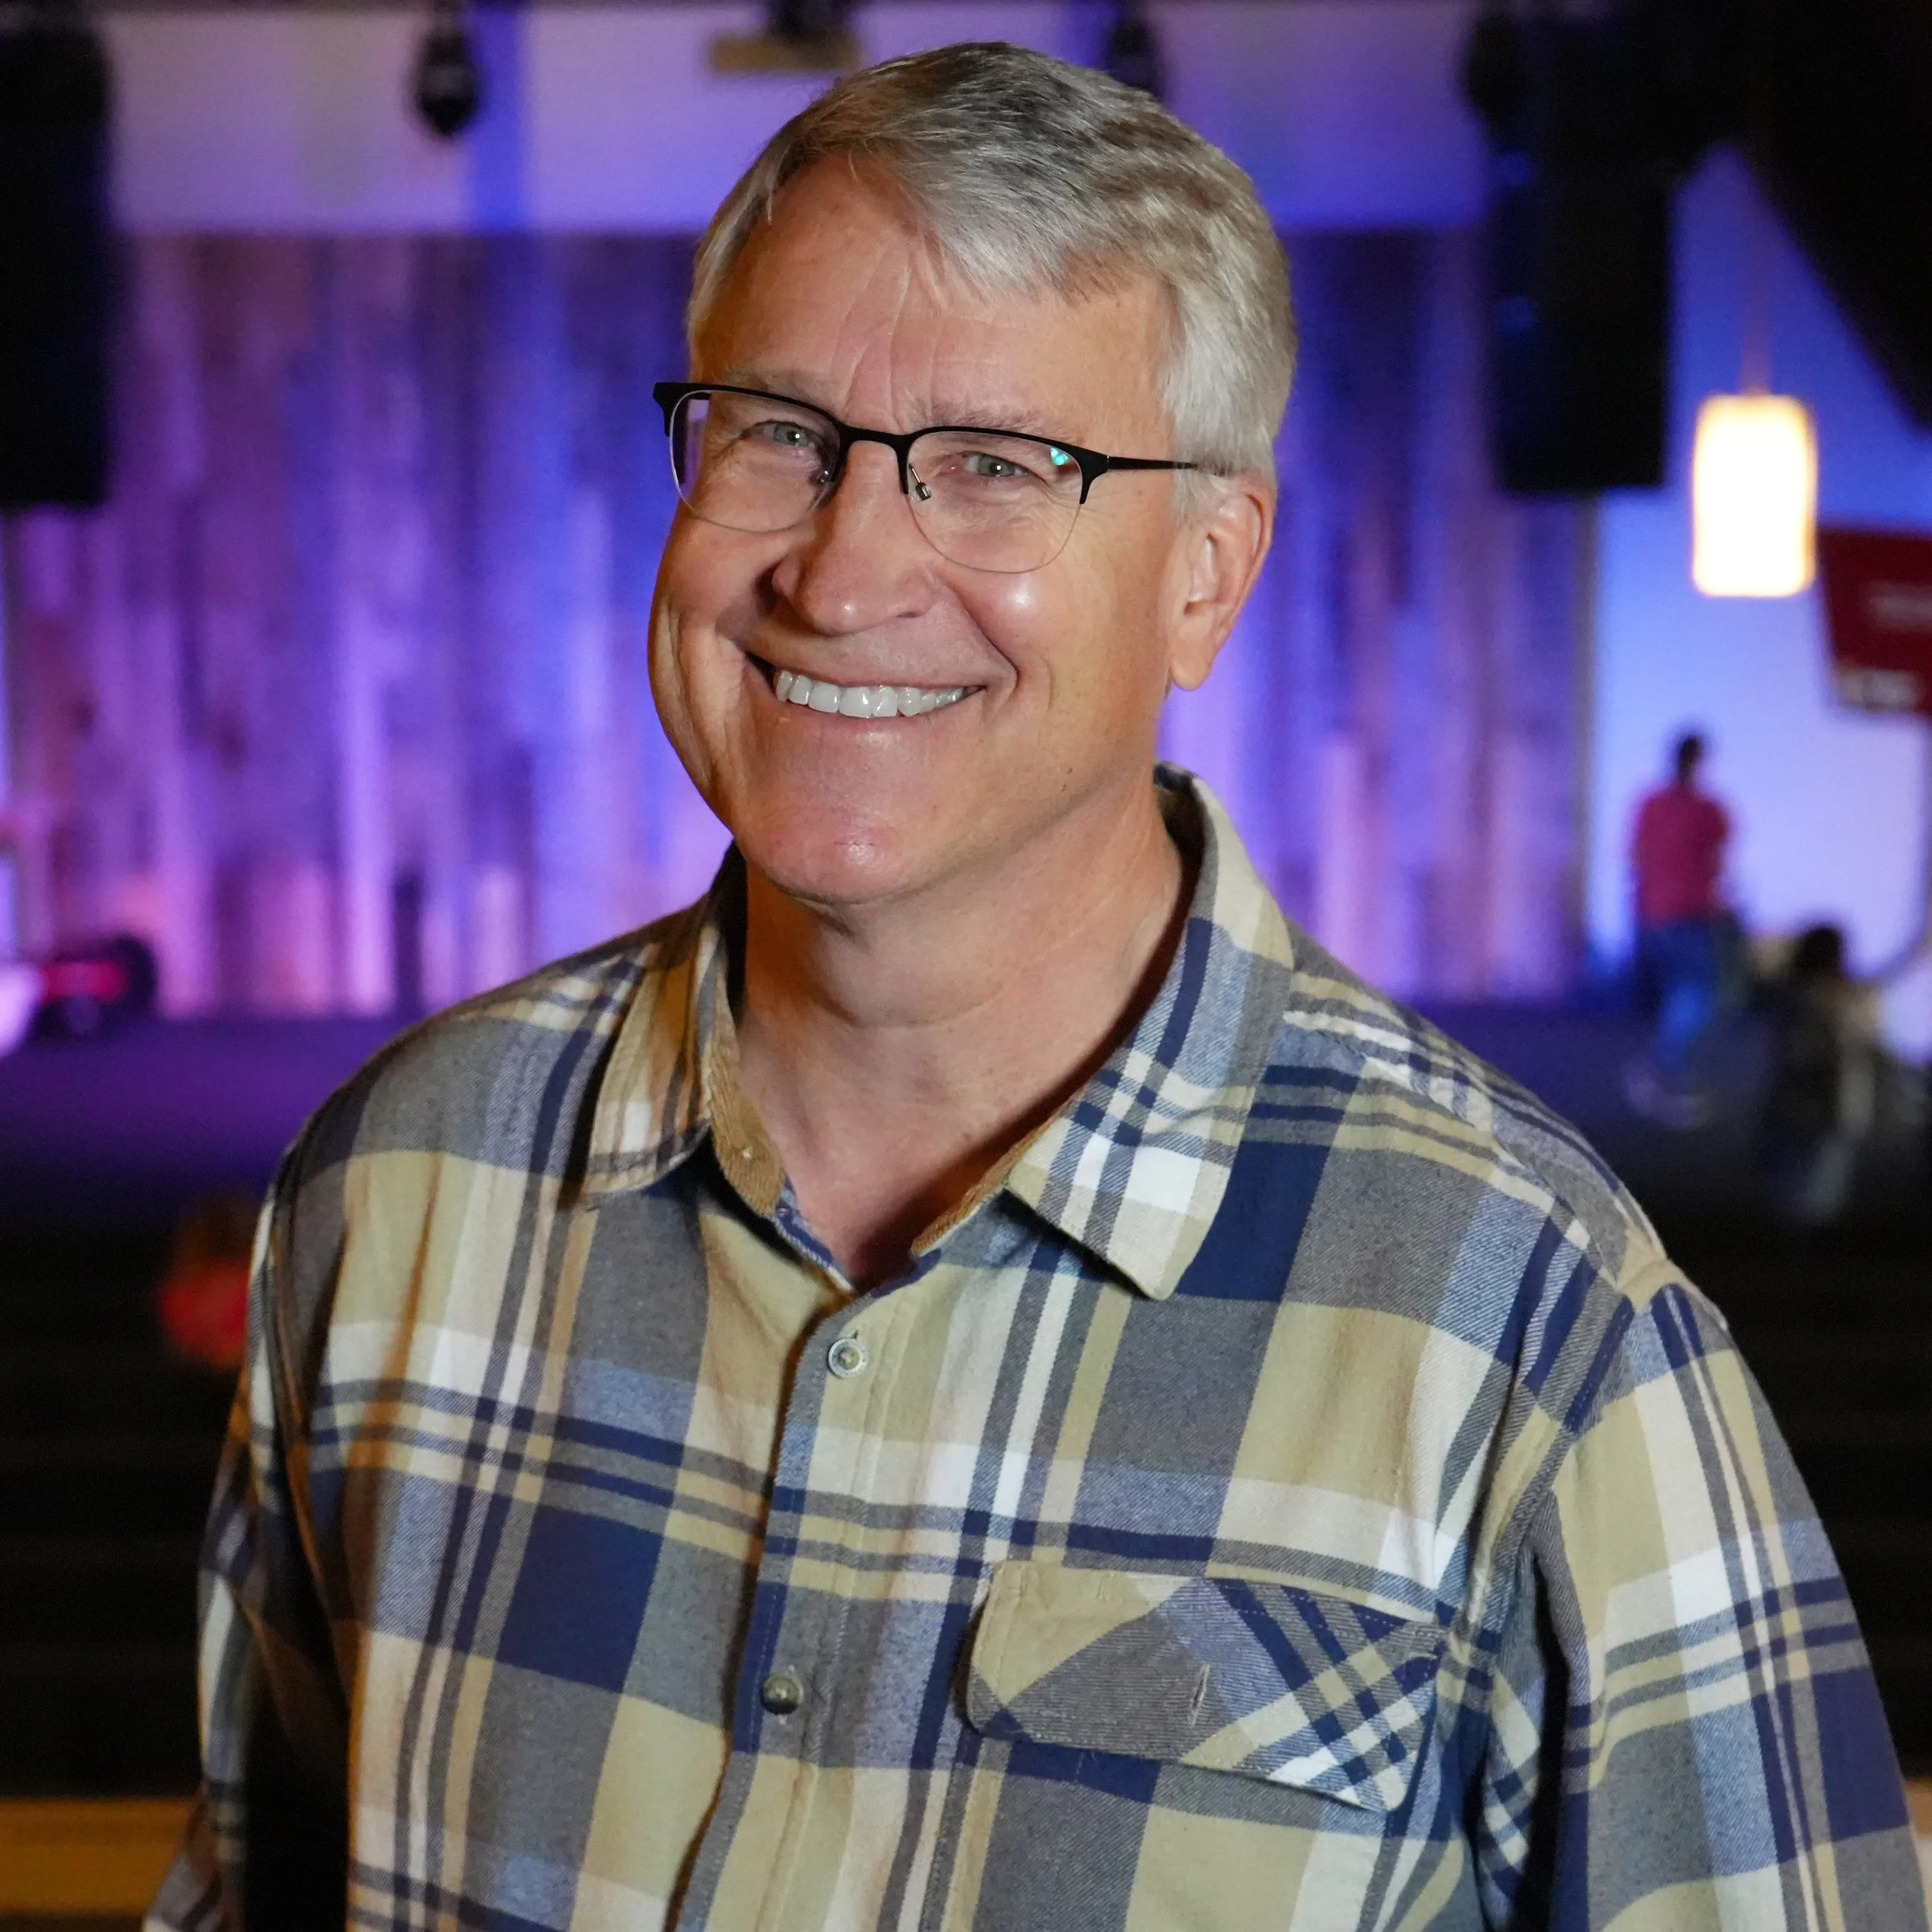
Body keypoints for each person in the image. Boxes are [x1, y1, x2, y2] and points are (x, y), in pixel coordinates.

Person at [149, 45, 1926, 1932]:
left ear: (1206, 574)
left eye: (998, 466)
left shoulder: (1534, 1331)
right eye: (777, 432)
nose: (844, 569)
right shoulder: (396, 1189)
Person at [1626, 730, 1735, 1124]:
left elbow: (1635, 859)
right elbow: (1718, 864)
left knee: (1683, 994)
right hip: (1689, 913)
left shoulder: (1654, 805)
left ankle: (1668, 1074)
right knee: (1699, 994)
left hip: (1660, 912)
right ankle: (1664, 1070)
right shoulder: (1708, 811)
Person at [1759, 923, 1884, 1228]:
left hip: (1811, 1106)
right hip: (1827, 1106)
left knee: (1809, 1188)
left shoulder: (1795, 996)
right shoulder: (1833, 999)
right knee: (1813, 1190)